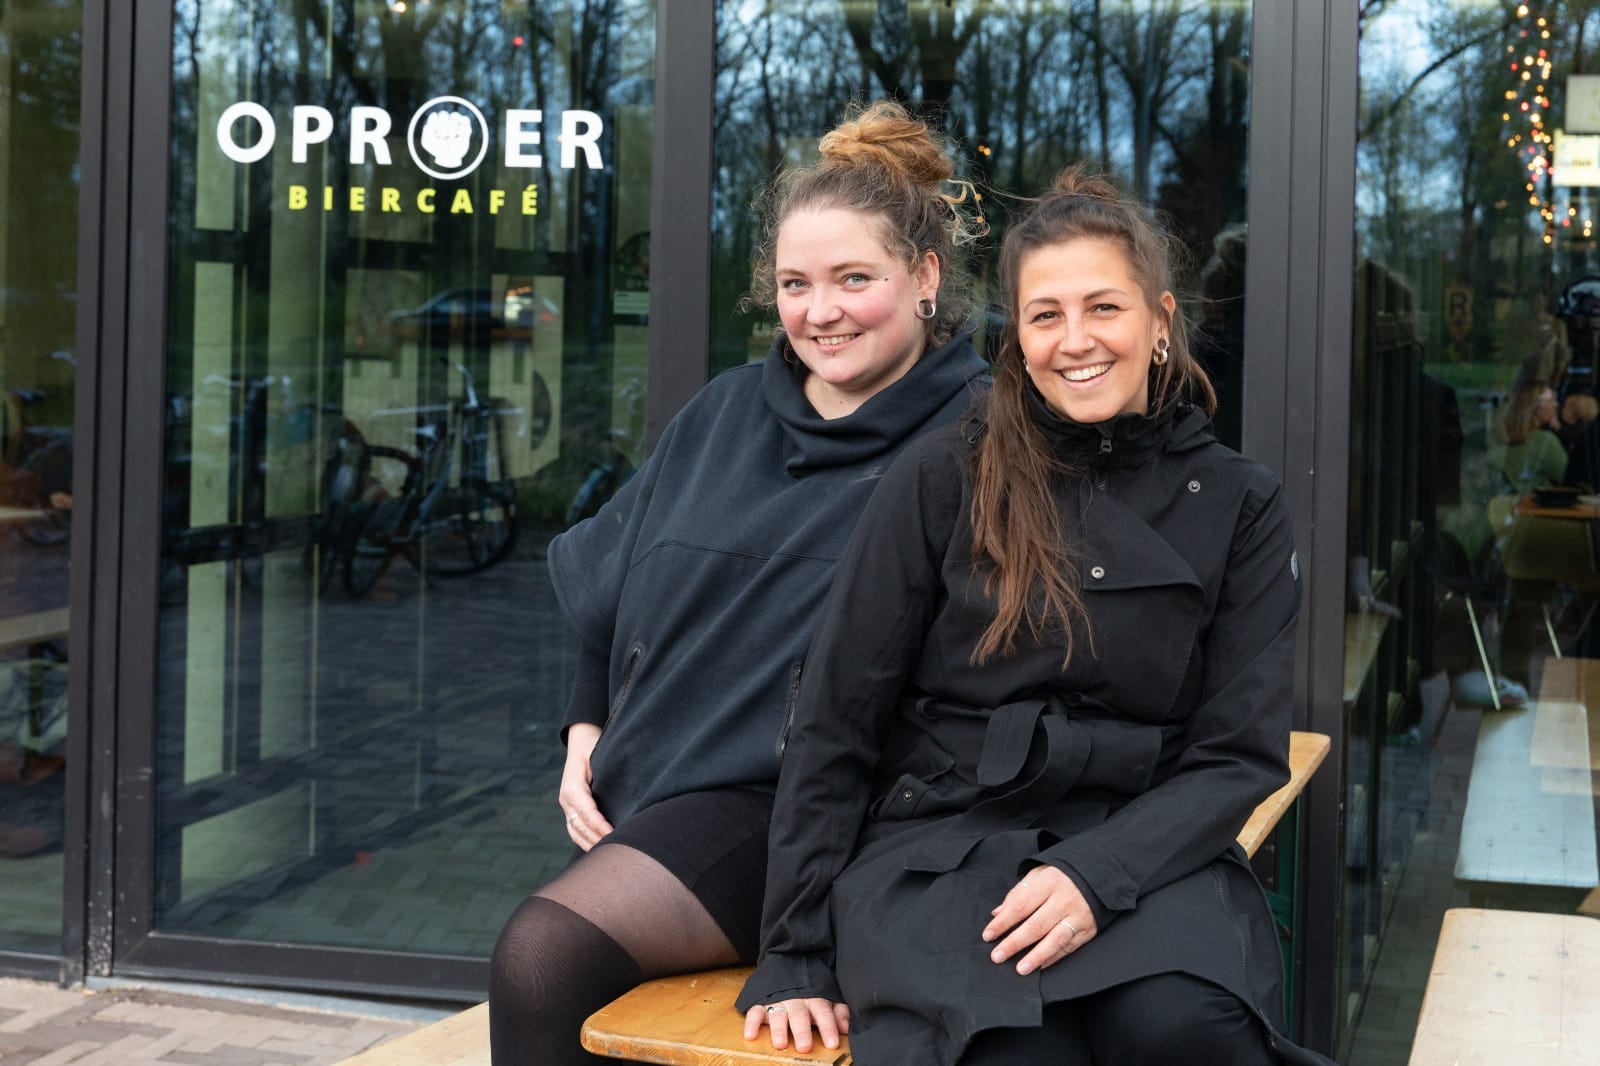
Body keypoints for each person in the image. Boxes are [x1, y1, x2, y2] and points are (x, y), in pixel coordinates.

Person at [737, 168, 1333, 1065]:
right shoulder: (944, 476)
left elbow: (1236, 756)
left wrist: (1099, 872)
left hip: (1147, 842)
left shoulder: (1240, 503)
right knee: (1014, 1052)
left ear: (1160, 321)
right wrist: (792, 950)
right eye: (1045, 315)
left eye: (1104, 308)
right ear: (1016, 337)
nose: (1075, 340)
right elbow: (836, 720)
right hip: (942, 847)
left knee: (1184, 1031)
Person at [486, 100, 989, 1065]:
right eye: (796, 284)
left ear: (925, 277)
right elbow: (612, 577)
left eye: (855, 279)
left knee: (542, 956)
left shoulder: (980, 443)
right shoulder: (723, 412)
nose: (820, 312)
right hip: (652, 793)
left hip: (806, 814)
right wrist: (584, 725)